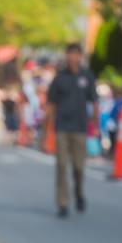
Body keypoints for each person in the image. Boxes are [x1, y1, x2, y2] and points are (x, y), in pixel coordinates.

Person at [46, 43, 98, 217]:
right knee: (61, 166)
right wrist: (48, 127)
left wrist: (95, 124)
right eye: (70, 54)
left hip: (80, 128)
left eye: (76, 54)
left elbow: (94, 101)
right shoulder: (60, 77)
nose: (72, 58)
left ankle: (79, 192)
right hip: (62, 127)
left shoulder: (87, 76)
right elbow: (51, 103)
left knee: (78, 167)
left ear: (80, 56)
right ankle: (62, 203)